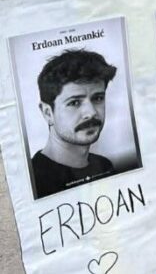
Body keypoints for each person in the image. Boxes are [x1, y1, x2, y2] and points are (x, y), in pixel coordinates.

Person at [30, 49, 118, 199]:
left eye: (97, 98)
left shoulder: (104, 166)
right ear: (47, 113)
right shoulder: (35, 182)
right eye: (75, 102)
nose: (91, 113)